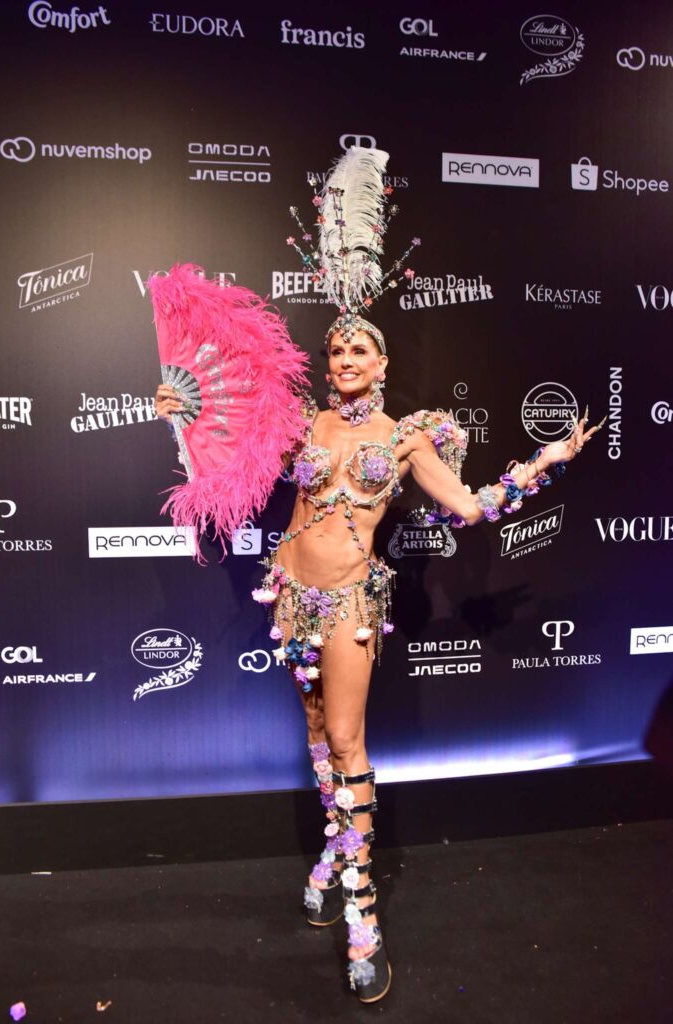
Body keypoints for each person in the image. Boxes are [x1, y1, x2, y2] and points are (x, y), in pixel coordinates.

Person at [153, 147, 603, 1004]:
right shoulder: (299, 424)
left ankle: (361, 906)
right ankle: (334, 850)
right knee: (315, 734)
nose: (345, 357)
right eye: (336, 348)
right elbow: (227, 466)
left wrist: (542, 462)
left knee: (348, 739)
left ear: (383, 363)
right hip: (289, 601)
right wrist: (183, 414)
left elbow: (467, 507)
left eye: (358, 348)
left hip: (350, 606)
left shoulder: (406, 437)